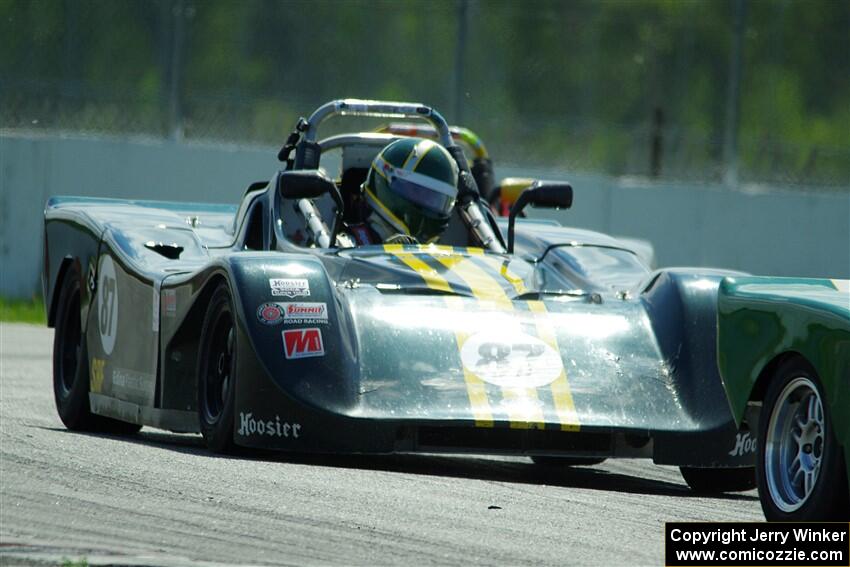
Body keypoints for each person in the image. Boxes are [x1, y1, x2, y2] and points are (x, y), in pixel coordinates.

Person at [345, 137, 459, 245]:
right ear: (384, 179)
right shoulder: (345, 245)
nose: (428, 201)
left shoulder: (448, 256)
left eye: (435, 197)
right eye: (417, 191)